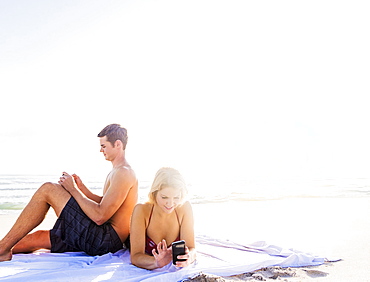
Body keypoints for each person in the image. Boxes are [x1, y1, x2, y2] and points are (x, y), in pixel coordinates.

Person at [0, 124, 138, 261]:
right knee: (37, 237)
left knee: (48, 189)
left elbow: (100, 216)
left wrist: (73, 189)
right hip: (101, 237)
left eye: (103, 146)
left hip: (104, 240)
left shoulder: (123, 173)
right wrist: (81, 189)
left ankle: (2, 249)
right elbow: (106, 203)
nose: (101, 150)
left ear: (118, 144)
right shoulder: (118, 171)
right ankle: (4, 248)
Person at [130, 167, 196, 270]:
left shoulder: (184, 208)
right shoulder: (142, 211)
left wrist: (189, 257)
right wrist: (156, 262)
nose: (170, 204)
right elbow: (136, 256)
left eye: (176, 198)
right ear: (154, 193)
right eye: (164, 197)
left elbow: (191, 248)